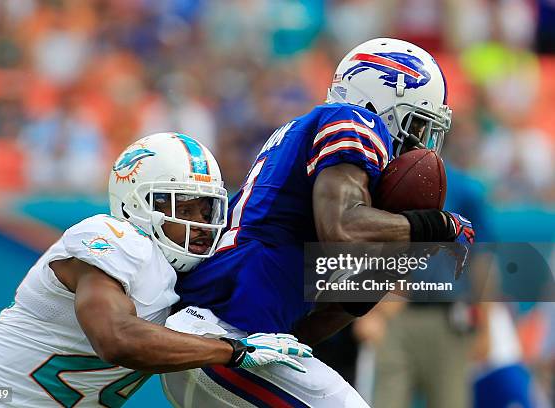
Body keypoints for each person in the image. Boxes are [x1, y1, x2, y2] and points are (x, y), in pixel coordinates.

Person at [161, 38, 476, 407]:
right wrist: (431, 226)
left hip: (239, 340)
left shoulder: (316, 151)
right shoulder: (354, 120)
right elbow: (342, 228)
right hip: (223, 335)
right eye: (418, 125)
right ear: (384, 102)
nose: (420, 144)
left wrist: (395, 258)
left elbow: (314, 326)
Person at [0, 132, 312, 407]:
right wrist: (231, 350)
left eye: (206, 211)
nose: (199, 225)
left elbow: (294, 309)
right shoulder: (111, 236)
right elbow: (115, 338)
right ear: (136, 202)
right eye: (182, 209)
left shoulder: (192, 276)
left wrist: (362, 278)